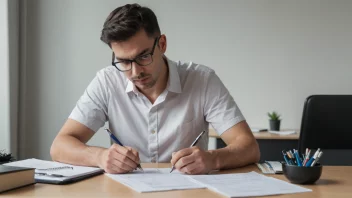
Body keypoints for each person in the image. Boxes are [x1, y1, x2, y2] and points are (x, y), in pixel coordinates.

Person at [50, 3, 260, 175]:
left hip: (188, 192)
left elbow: (249, 147)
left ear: (162, 44)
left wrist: (212, 159)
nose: (134, 72)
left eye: (143, 56)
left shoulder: (202, 80)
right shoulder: (106, 82)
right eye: (123, 61)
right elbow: (60, 146)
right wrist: (100, 157)